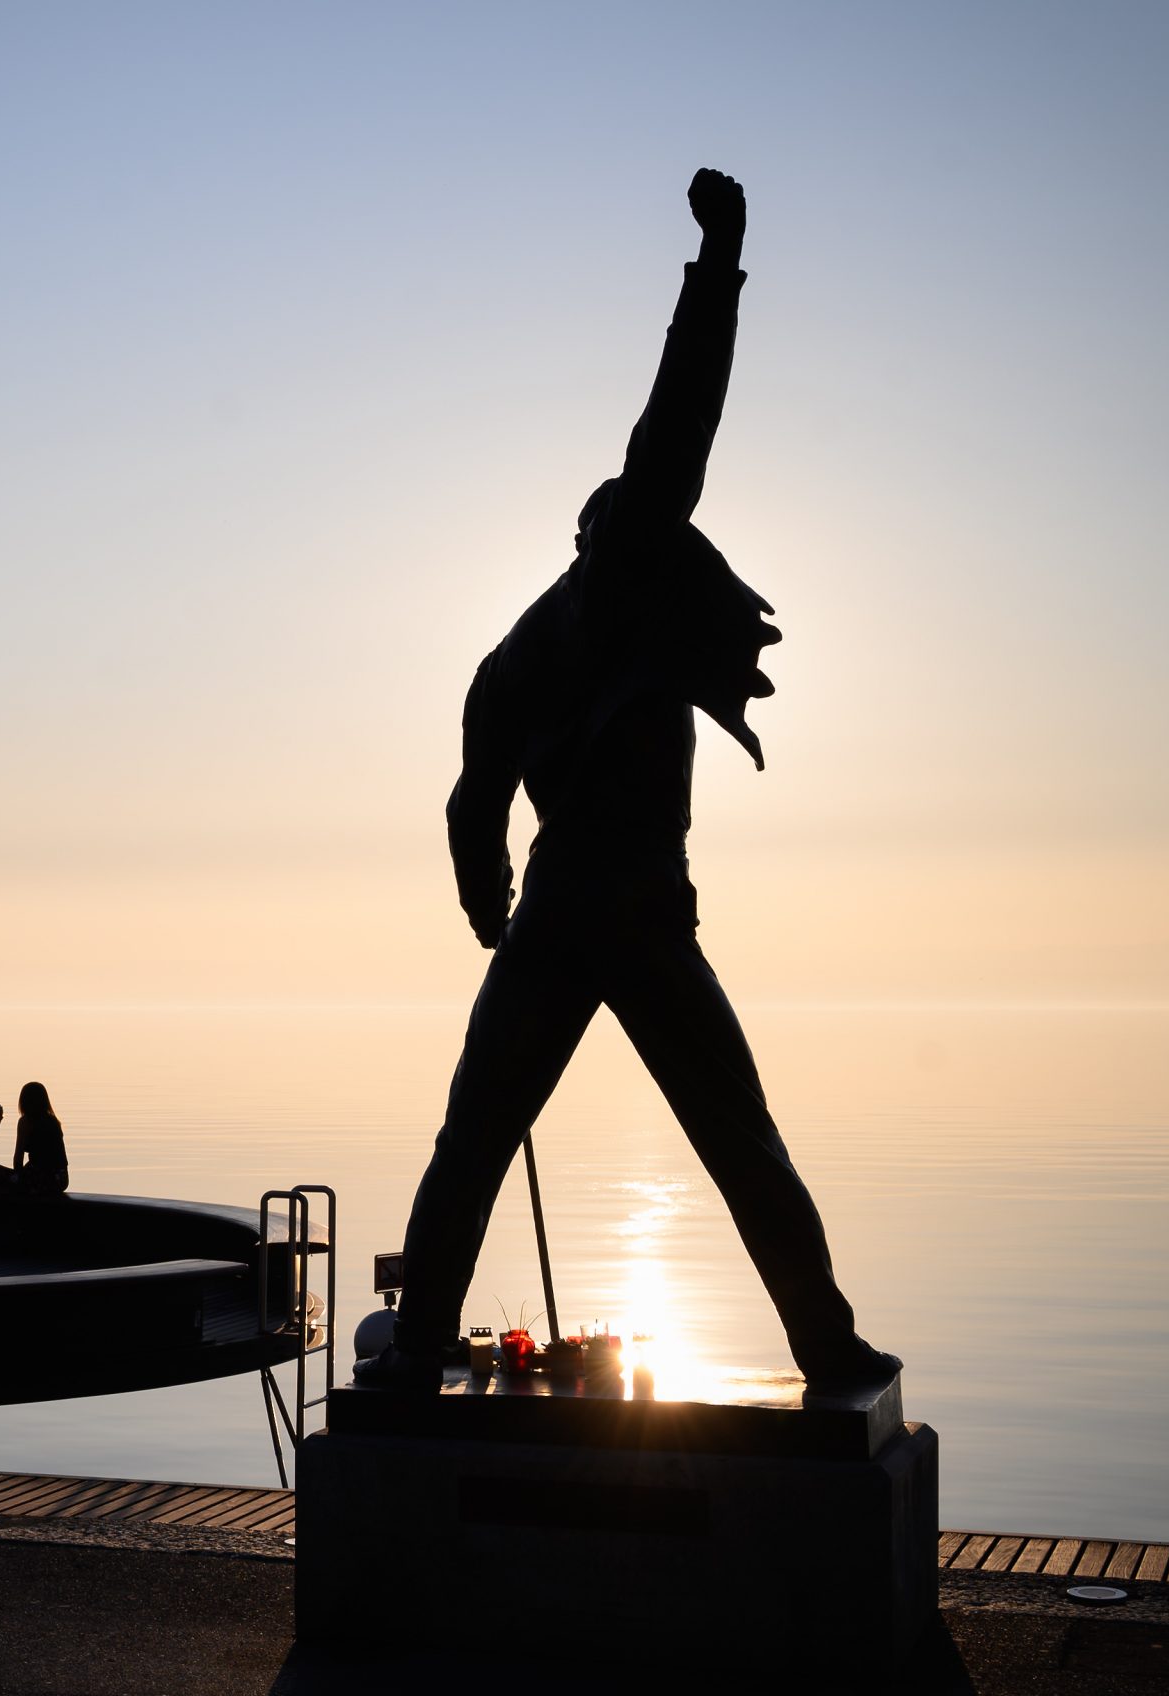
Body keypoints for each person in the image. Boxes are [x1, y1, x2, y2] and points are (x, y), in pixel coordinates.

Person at [358, 169, 898, 1393]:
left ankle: (421, 1352)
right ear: (621, 540)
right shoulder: (617, 591)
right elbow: (682, 417)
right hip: (640, 913)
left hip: (555, 916)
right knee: (735, 1144)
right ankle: (826, 1348)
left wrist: (485, 901)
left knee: (476, 1144)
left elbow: (470, 800)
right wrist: (718, 261)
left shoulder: (507, 654)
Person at [11, 1081, 69, 1196]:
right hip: (61, 1179)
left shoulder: (25, 1122)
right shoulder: (53, 1121)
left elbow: (18, 1158)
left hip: (41, 1178)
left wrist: (17, 1179)